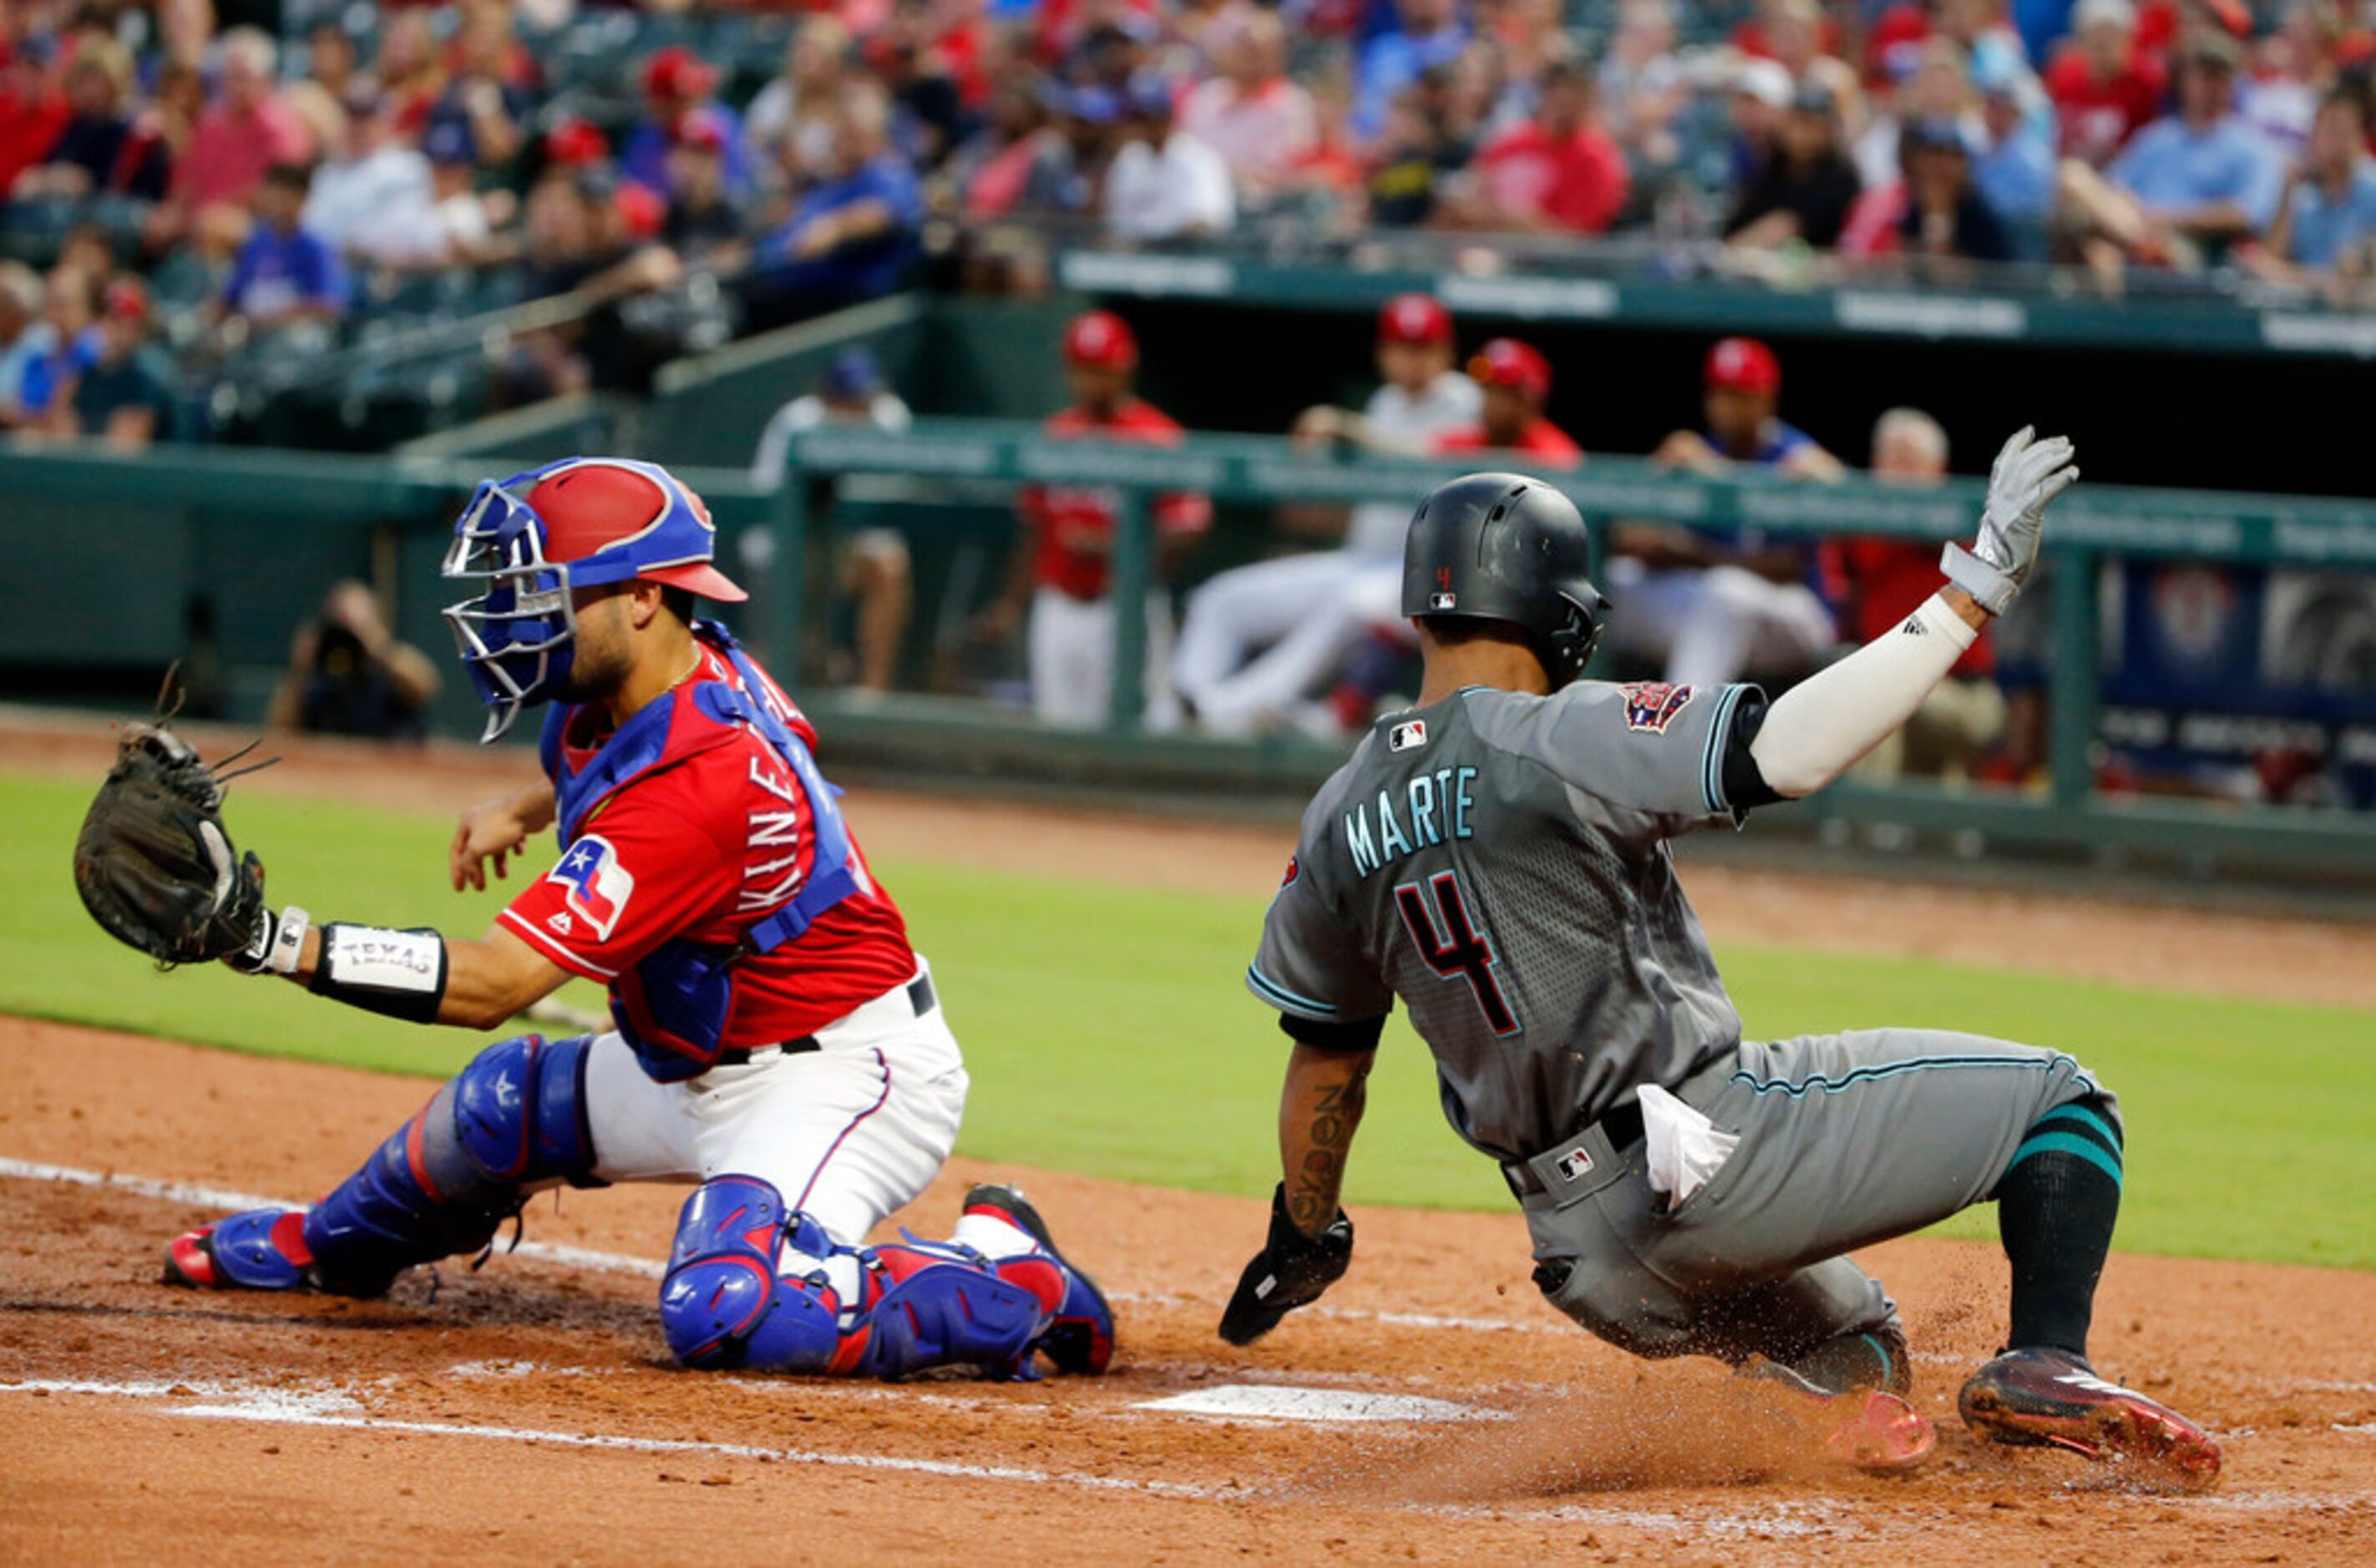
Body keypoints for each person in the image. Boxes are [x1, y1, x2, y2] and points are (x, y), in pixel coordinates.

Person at [1222, 440, 2221, 1490]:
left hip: (1586, 1261)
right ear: (1555, 610)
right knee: (2062, 1106)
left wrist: (1303, 1236)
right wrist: (1969, 594)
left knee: (1860, 1357)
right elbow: (1787, 751)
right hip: (1707, 1162)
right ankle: (2046, 1360)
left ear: (1420, 614)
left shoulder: (1338, 814)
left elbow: (1327, 1064)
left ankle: (1790, 1413)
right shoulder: (1556, 732)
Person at [161, 456, 1117, 1388]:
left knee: (736, 1315)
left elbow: (495, 985)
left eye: (547, 590)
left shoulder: (698, 788)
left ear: (643, 598)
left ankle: (1012, 1269)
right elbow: (614, 769)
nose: (515, 615)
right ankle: (326, 1248)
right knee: (501, 1109)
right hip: (702, 1057)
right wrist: (523, 807)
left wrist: (270, 940)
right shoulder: (651, 679)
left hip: (837, 1077)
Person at [1173, 294, 1481, 737]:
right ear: (1383, 352)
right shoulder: (1385, 402)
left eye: (1423, 347)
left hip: (1425, 578)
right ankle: (1186, 701)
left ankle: (1236, 708)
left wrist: (1344, 426)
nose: (1411, 360)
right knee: (1222, 598)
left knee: (1350, 600)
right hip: (1362, 561)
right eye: (1401, 347)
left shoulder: (1465, 401)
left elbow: (1430, 456)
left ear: (1445, 352)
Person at [980, 310, 1211, 730]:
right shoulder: (1056, 435)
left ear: (1125, 369)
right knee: (1059, 737)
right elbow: (1032, 529)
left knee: (1147, 734)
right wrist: (1011, 604)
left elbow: (1190, 529)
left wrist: (1113, 545)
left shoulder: (1158, 435)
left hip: (1126, 606)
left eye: (1101, 370)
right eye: (1083, 370)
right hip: (1059, 606)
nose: (1092, 382)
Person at [1612, 337, 1844, 688]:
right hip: (1714, 610)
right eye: (1721, 394)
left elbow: (1788, 567)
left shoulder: (1798, 458)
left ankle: (1685, 731)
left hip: (1797, 617)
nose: (1728, 406)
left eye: (1741, 395)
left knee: (1725, 592)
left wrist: (1692, 553)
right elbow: (1627, 534)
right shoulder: (1695, 452)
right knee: (1614, 582)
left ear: (1767, 399)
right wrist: (1658, 479)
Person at [1834, 409, 2008, 781]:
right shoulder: (1860, 524)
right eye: (1889, 460)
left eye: (1910, 462)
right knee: (1876, 682)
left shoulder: (1963, 518)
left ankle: (1871, 825)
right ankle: (1876, 826)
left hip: (1965, 694)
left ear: (1938, 470)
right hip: (1897, 679)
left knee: (1883, 686)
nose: (1897, 473)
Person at [751, 349, 918, 695]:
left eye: (863, 398)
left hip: (853, 548)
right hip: (791, 548)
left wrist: (843, 560)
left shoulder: (890, 418)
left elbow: (886, 514)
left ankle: (873, 693)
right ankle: (778, 692)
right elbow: (765, 509)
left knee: (890, 566)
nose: (858, 407)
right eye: (848, 398)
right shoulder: (798, 421)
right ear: (827, 395)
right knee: (793, 653)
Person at [2058, 35, 2285, 274]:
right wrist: (2134, 213)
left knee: (2121, 252)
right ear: (2185, 81)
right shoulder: (2158, 137)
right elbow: (2117, 186)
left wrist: (2166, 219)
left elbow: (2248, 214)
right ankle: (2140, 245)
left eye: (2220, 77)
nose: (2211, 86)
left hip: (2198, 248)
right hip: (2134, 231)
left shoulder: (2250, 145)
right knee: (2073, 177)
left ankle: (2144, 247)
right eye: (2203, 76)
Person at [749, 85, 925, 329]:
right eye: (841, 129)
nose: (844, 139)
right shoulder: (829, 181)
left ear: (878, 137)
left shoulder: (888, 173)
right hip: (772, 285)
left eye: (855, 132)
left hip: (835, 306)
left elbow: (885, 213)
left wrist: (835, 227)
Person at [1455, 58, 1631, 234]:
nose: (1564, 105)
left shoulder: (1598, 158)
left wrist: (1523, 221)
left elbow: (1581, 235)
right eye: (1556, 93)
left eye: (1574, 97)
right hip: (1485, 240)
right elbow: (1472, 191)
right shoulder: (1510, 142)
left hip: (1551, 257)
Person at [266, 579, 443, 738]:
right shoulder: (320, 676)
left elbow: (426, 686)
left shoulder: (391, 671)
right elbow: (281, 727)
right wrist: (301, 668)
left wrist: (377, 645)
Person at [1178, 7, 1320, 201]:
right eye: (1241, 47)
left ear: (1277, 55)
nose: (1248, 58)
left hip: (1258, 206)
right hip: (1199, 199)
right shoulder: (1206, 96)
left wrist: (1222, 175)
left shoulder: (1293, 105)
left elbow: (1285, 172)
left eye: (1256, 50)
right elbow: (1185, 153)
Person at [2254, 89, 2376, 285]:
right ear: (2313, 138)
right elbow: (2271, 261)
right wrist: (2288, 191)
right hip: (2303, 306)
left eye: (2344, 131)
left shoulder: (2372, 189)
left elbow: (2355, 281)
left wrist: (2288, 274)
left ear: (2361, 137)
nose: (2336, 141)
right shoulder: (2304, 197)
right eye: (2328, 130)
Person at [1725, 80, 1865, 250]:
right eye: (1794, 123)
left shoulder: (1841, 177)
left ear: (1828, 130)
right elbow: (1741, 221)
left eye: (1809, 125)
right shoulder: (1774, 170)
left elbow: (1789, 225)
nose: (1798, 134)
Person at [215, 162, 347, 335]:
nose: (275, 203)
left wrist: (273, 319)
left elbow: (329, 306)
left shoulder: (315, 246)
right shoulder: (257, 242)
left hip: (289, 337)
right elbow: (231, 297)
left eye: (283, 197)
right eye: (271, 195)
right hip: (251, 335)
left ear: (302, 199)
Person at [1103, 72, 1234, 240]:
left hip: (1184, 254)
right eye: (1134, 118)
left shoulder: (1197, 159)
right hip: (1134, 254)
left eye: (1147, 119)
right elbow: (1115, 219)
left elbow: (1208, 221)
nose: (1137, 126)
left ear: (1167, 119)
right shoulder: (1128, 158)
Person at [61, 276, 175, 448]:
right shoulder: (85, 377)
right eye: (112, 318)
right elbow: (61, 437)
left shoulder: (146, 380)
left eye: (129, 323)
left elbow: (123, 448)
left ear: (140, 329)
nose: (119, 330)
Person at [1432, 336, 1582, 468]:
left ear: (1529, 402)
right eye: (1489, 390)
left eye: (1504, 393)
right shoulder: (1458, 447)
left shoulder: (1555, 455)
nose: (1493, 402)